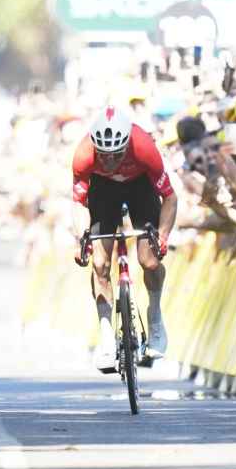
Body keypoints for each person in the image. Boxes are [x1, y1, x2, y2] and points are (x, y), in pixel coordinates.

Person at [71, 106, 177, 373]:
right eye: (103, 156)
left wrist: (162, 236)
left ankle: (154, 316)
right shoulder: (84, 155)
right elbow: (78, 204)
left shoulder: (143, 147)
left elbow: (170, 198)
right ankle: (106, 334)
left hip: (140, 186)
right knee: (99, 263)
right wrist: (79, 240)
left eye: (116, 155)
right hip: (103, 190)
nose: (109, 162)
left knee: (149, 260)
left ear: (126, 146)